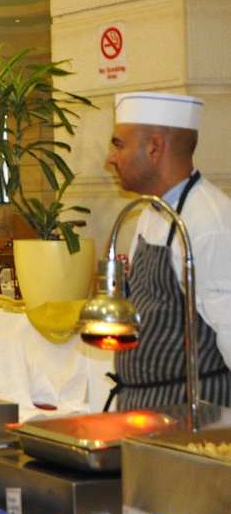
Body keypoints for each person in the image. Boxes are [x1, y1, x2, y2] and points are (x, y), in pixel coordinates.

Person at [103, 91, 231, 409]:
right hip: (145, 410)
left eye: (119, 145)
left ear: (155, 148)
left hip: (193, 414)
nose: (110, 159)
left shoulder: (210, 222)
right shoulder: (151, 212)